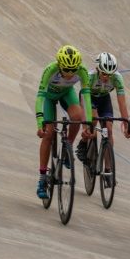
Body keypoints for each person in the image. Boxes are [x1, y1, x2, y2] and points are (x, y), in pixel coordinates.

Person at [35, 45, 93, 199]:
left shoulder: (82, 71)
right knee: (48, 134)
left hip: (67, 94)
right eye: (66, 69)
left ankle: (68, 147)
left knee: (78, 116)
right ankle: (42, 178)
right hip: (49, 98)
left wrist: (88, 124)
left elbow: (86, 99)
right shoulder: (50, 70)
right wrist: (40, 121)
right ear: (59, 65)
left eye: (73, 70)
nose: (69, 74)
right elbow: (40, 97)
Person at [75, 52, 130, 164]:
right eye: (104, 74)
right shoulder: (89, 77)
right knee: (93, 120)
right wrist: (85, 126)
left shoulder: (117, 78)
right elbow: (85, 102)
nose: (107, 77)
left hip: (104, 99)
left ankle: (108, 171)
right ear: (97, 69)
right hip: (89, 98)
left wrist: (127, 126)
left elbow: (122, 104)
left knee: (109, 130)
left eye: (110, 74)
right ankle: (83, 142)